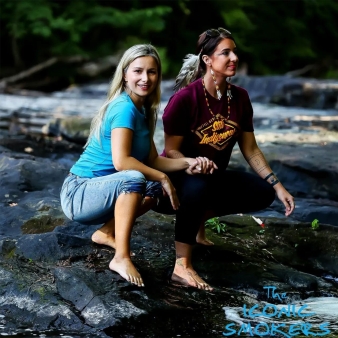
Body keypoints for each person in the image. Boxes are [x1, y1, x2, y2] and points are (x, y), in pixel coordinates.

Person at [153, 28, 295, 291]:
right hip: (177, 180)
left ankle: (197, 222)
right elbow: (170, 150)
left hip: (212, 178)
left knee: (263, 193)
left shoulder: (239, 98)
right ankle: (181, 265)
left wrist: (278, 185)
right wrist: (192, 163)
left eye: (235, 52)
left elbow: (250, 149)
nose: (234, 57)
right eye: (225, 53)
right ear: (207, 60)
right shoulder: (184, 99)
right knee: (198, 185)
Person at [60, 44, 202, 287]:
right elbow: (122, 162)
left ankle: (105, 233)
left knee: (153, 186)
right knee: (136, 178)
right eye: (138, 71)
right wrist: (163, 177)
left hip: (105, 191)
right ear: (125, 74)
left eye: (152, 72)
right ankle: (121, 258)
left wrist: (189, 162)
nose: (145, 78)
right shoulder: (124, 107)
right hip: (80, 193)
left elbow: (153, 161)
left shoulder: (144, 111)